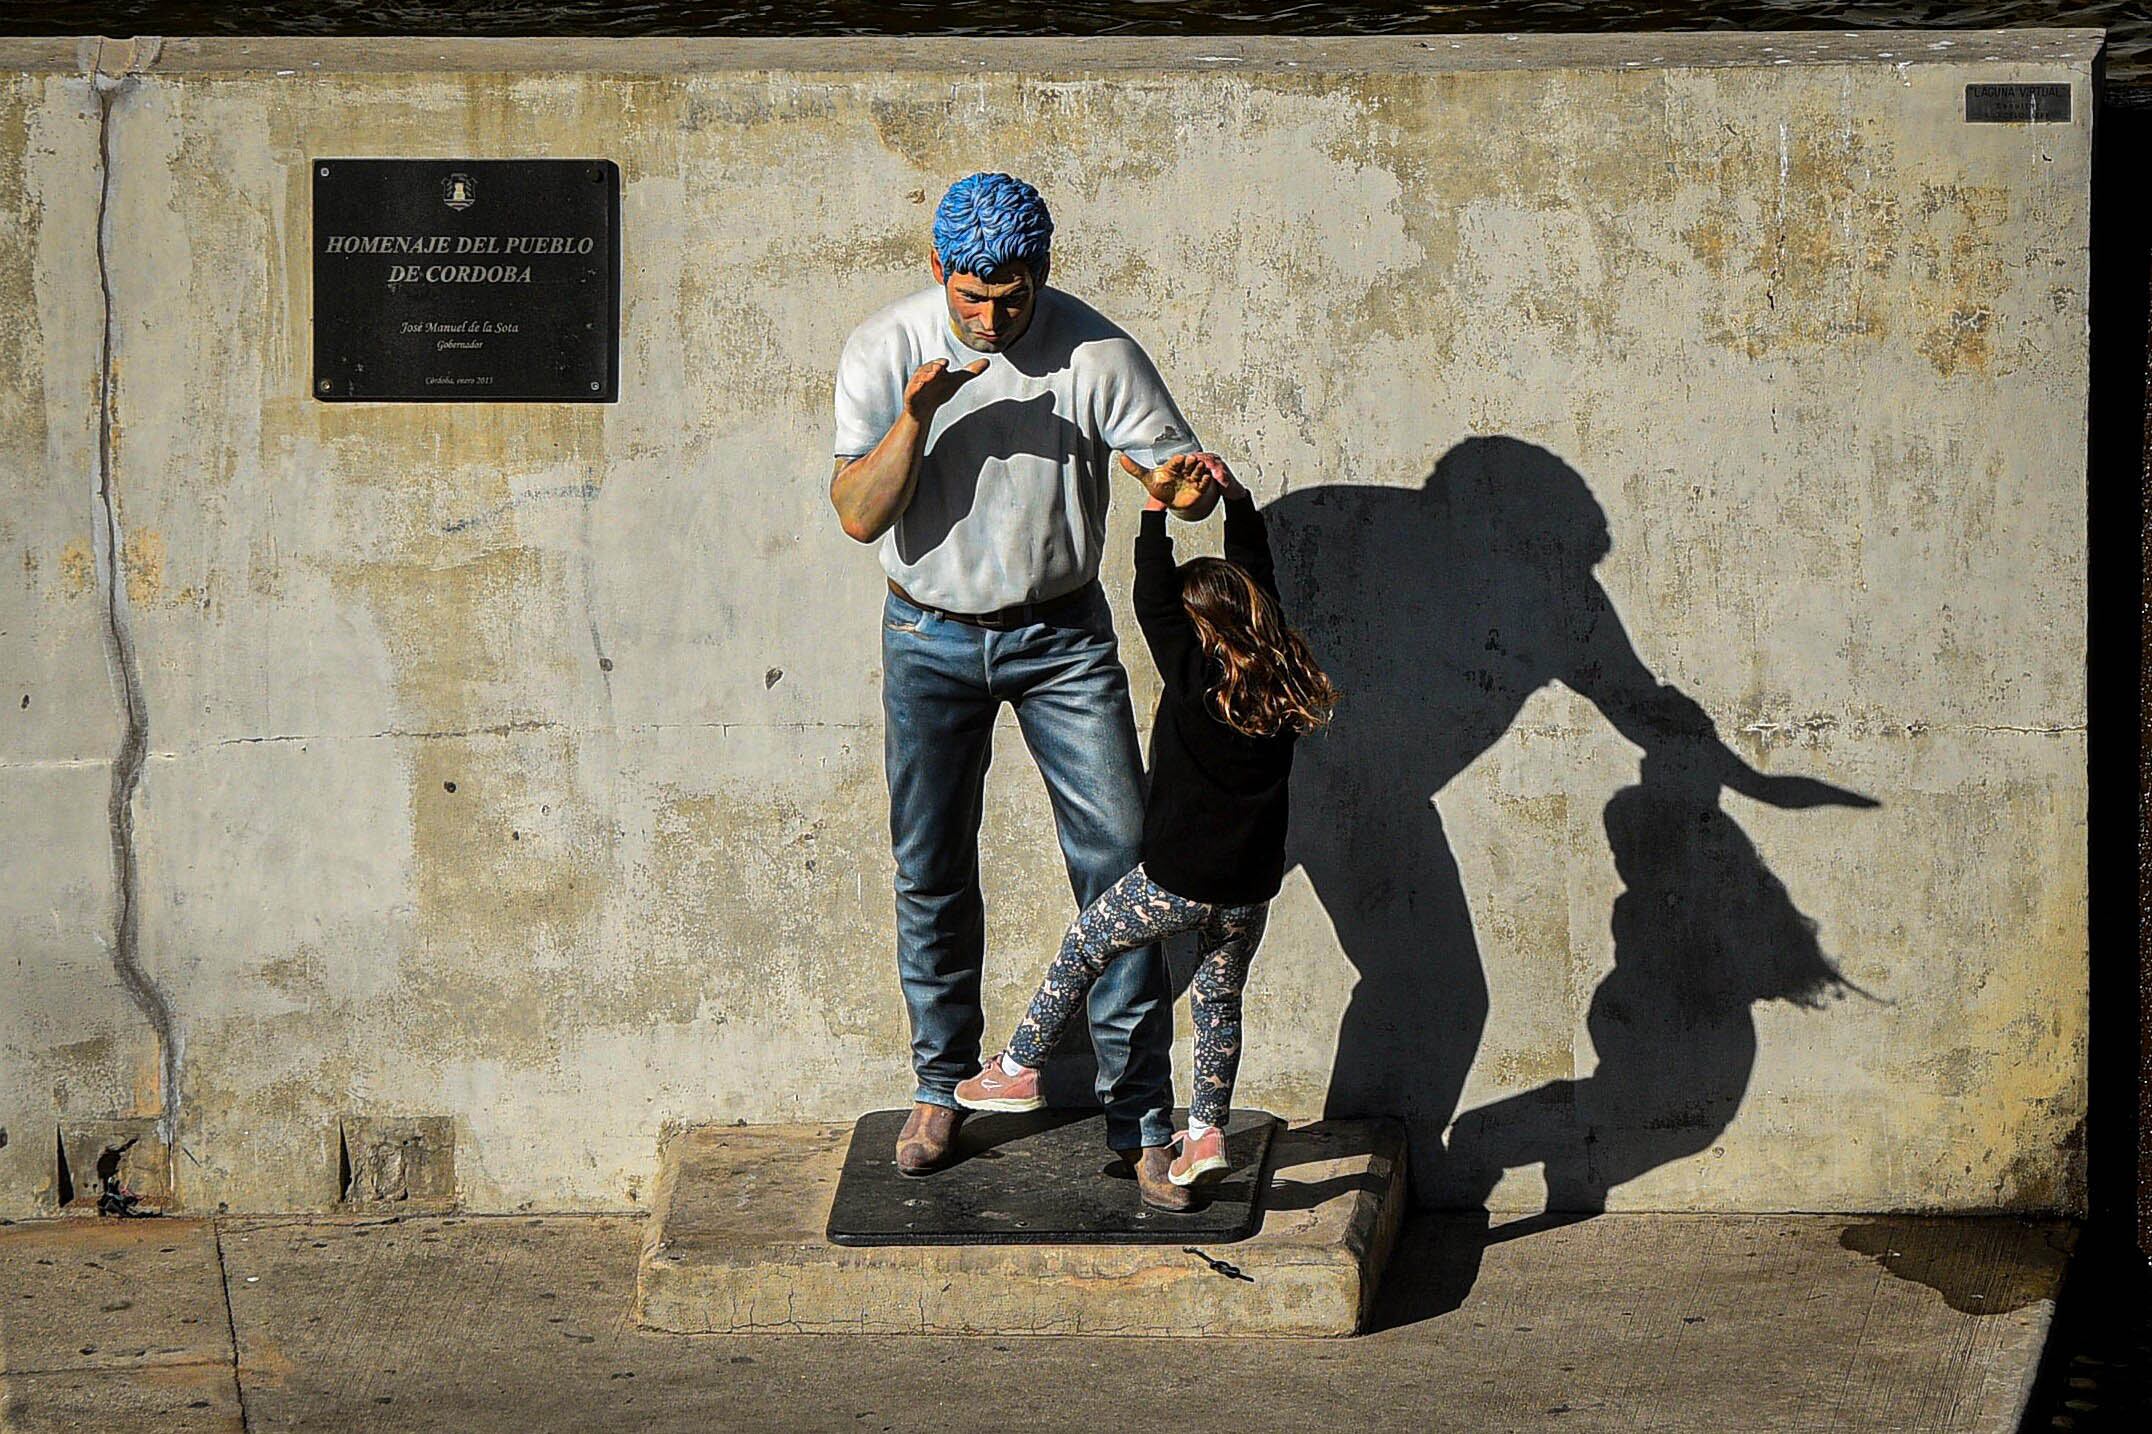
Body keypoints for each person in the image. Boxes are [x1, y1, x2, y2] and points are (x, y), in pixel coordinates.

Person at [829, 172, 1231, 1208]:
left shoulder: (1094, 352)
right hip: (926, 636)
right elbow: (858, 516)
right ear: (937, 271)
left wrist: (1182, 488)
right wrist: (915, 419)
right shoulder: (885, 348)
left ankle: (1141, 1119)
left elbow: (1170, 477)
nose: (991, 318)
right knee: (930, 866)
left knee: (1125, 879)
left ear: (1041, 274)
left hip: (1060, 638)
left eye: (1010, 298)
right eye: (970, 297)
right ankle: (938, 1085)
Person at [955, 462, 1338, 1189]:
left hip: (1178, 882)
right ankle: (1205, 1133)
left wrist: (1157, 509)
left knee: (1085, 944)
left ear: (1195, 632)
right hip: (1250, 890)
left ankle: (1016, 1067)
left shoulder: (1196, 683)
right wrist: (1238, 504)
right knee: (1219, 1004)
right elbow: (1257, 581)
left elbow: (1152, 597)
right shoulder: (1279, 673)